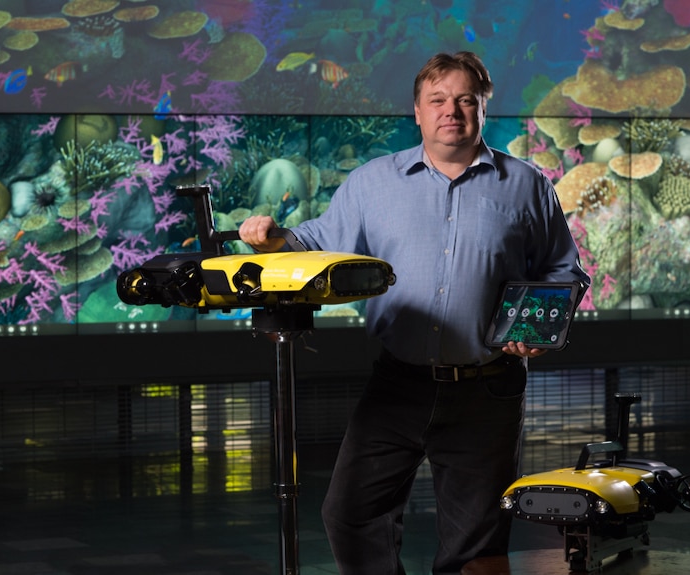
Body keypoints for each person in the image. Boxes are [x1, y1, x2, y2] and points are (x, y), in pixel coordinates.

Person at [239, 51, 590, 575]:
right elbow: (314, 242)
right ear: (419, 112)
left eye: (466, 100)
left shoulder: (527, 185)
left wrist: (537, 327)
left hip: (487, 390)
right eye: (439, 100)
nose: (453, 110)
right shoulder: (372, 182)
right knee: (350, 515)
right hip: (396, 384)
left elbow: (564, 272)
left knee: (475, 546)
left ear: (483, 110)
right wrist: (270, 239)